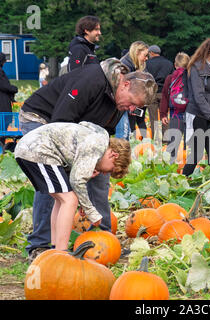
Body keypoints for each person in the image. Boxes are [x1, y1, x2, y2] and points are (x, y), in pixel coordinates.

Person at [18, 58, 157, 261]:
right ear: (125, 84)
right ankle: (40, 244)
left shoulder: (118, 102)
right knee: (55, 183)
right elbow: (61, 119)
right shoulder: (92, 80)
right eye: (132, 103)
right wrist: (77, 165)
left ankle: (103, 238)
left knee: (101, 177)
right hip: (42, 120)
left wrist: (96, 165)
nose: (130, 109)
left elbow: (103, 133)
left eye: (135, 108)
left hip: (76, 133)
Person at [15, 121, 131, 250]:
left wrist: (83, 200)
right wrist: (91, 212)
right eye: (109, 170)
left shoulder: (98, 137)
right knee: (69, 200)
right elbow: (77, 181)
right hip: (39, 151)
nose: (104, 173)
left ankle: (55, 248)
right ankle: (61, 252)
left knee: (61, 199)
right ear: (113, 155)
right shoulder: (97, 146)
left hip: (29, 148)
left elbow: (84, 124)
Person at [182, 38, 210, 176]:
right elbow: (199, 96)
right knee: (197, 153)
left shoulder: (209, 69)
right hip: (198, 116)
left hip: (208, 116)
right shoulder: (196, 68)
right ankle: (182, 180)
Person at [160, 52, 190, 163]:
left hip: (175, 114)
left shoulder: (170, 78)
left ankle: (169, 167)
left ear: (175, 64)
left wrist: (163, 114)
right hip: (190, 113)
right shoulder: (191, 77)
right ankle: (190, 170)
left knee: (172, 143)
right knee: (190, 144)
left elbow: (165, 96)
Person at [116, 41, 150, 140]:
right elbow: (122, 87)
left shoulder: (136, 66)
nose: (146, 58)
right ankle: (122, 153)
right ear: (137, 53)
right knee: (123, 132)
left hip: (129, 103)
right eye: (145, 55)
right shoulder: (125, 66)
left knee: (127, 132)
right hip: (122, 104)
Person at [145, 45, 174, 141]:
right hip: (165, 93)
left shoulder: (146, 64)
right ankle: (166, 138)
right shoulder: (169, 64)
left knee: (153, 117)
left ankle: (157, 139)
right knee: (164, 115)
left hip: (151, 92)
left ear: (151, 53)